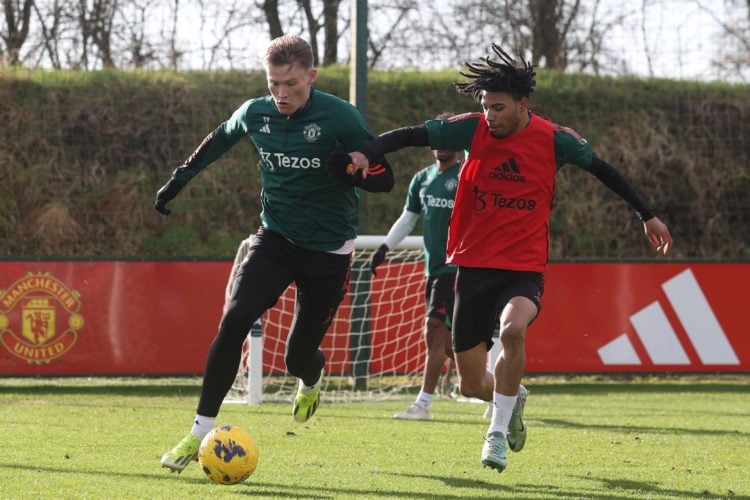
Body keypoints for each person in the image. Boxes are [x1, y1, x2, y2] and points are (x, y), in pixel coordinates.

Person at [337, 43, 673, 473]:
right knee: (472, 384)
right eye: (485, 107)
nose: (490, 115)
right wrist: (368, 151)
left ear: (522, 104)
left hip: (523, 268)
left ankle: (494, 435)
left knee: (512, 331)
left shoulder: (555, 139)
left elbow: (604, 170)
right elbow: (411, 135)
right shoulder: (471, 130)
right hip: (472, 266)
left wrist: (647, 214)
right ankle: (513, 398)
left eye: (498, 108)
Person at [155, 34, 394, 474]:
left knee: (298, 355)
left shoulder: (340, 116)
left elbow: (384, 178)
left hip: (328, 251)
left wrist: (349, 170)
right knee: (235, 318)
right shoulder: (256, 111)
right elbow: (218, 139)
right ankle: (196, 433)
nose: (281, 95)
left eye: (291, 84)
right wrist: (178, 180)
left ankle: (311, 379)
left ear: (311, 77)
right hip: (275, 239)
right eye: (273, 85)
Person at [369, 113, 463, 421]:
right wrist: (385, 246)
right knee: (450, 342)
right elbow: (408, 218)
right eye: (437, 141)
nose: (441, 146)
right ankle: (492, 385)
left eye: (449, 139)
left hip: (459, 267)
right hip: (433, 269)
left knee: (432, 329)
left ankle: (423, 404)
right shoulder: (422, 179)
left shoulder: (468, 175)